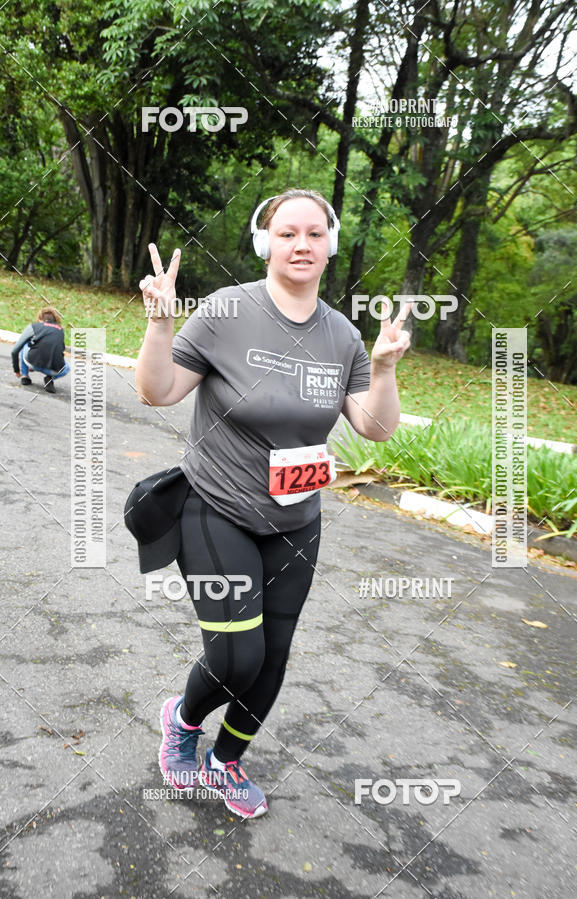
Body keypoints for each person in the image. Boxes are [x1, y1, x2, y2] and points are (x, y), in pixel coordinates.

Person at [133, 188, 412, 819]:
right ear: (266, 243)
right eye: (287, 233)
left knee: (273, 657)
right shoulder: (228, 311)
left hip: (296, 520)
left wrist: (386, 367)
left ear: (329, 247)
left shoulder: (340, 334)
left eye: (314, 234)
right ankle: (182, 721)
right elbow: (157, 391)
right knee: (238, 654)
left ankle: (226, 761)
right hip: (216, 505)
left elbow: (374, 427)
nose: (302, 245)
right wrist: (158, 323)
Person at [11, 306, 70, 393]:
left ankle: (24, 376)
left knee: (26, 342)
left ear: (40, 318)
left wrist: (16, 370)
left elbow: (14, 351)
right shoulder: (60, 330)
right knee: (67, 368)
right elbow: (59, 350)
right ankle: (49, 379)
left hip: (32, 363)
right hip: (54, 370)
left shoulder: (34, 327)